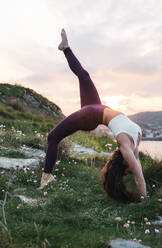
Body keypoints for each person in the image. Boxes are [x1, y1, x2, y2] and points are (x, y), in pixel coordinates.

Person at [38, 29, 147, 202]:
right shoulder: (135, 146)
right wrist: (143, 196)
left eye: (128, 167)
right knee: (84, 75)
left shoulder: (125, 146)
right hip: (96, 107)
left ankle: (46, 176)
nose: (132, 166)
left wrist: (143, 201)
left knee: (52, 137)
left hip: (91, 115)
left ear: (124, 159)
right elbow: (138, 170)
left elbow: (139, 177)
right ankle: (66, 48)